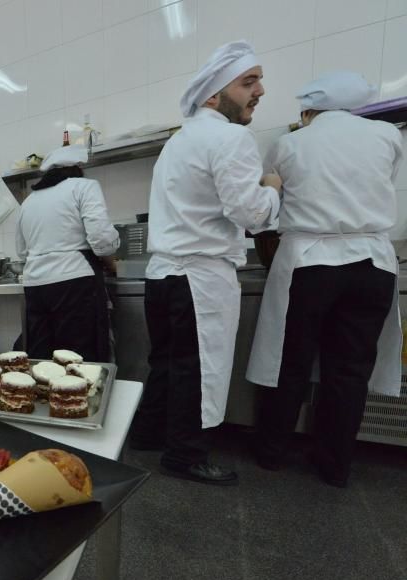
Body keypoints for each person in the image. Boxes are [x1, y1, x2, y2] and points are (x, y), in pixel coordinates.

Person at [129, 41, 281, 485]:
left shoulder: (178, 142)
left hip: (162, 276)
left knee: (167, 365)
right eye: (248, 82)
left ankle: (148, 435)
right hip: (198, 278)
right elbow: (250, 214)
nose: (260, 91)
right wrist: (272, 188)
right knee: (199, 370)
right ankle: (184, 455)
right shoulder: (231, 137)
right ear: (214, 95)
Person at [246, 72, 403, 487]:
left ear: (309, 110)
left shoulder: (291, 143)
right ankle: (334, 466)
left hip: (311, 264)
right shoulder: (387, 136)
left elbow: (269, 201)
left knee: (290, 363)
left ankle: (271, 453)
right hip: (372, 265)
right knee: (349, 370)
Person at [15, 145, 120, 361]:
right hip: (75, 284)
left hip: (35, 286)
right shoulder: (84, 186)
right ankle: (82, 395)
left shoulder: (28, 201)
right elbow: (102, 240)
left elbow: (22, 251)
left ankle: (43, 394)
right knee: (80, 359)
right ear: (78, 167)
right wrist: (112, 262)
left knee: (42, 358)